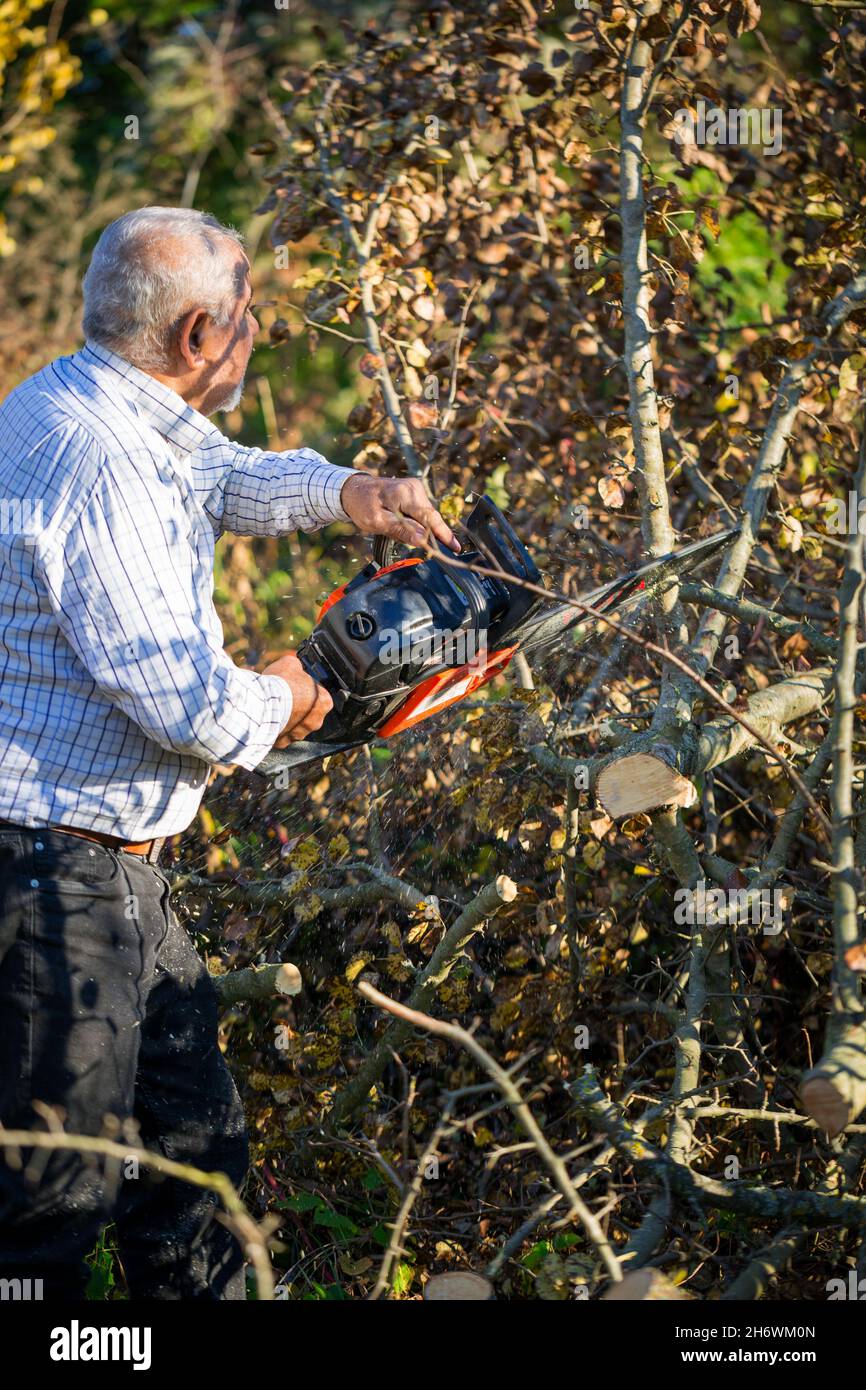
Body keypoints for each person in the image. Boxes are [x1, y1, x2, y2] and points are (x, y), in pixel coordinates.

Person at [0, 206, 458, 1299]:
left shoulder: (105, 400)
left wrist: (353, 493)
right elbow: (189, 708)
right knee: (46, 1214)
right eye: (249, 318)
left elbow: (223, 472)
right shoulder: (94, 459)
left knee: (198, 1172)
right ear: (202, 334)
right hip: (50, 882)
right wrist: (302, 687)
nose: (257, 336)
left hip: (118, 874)